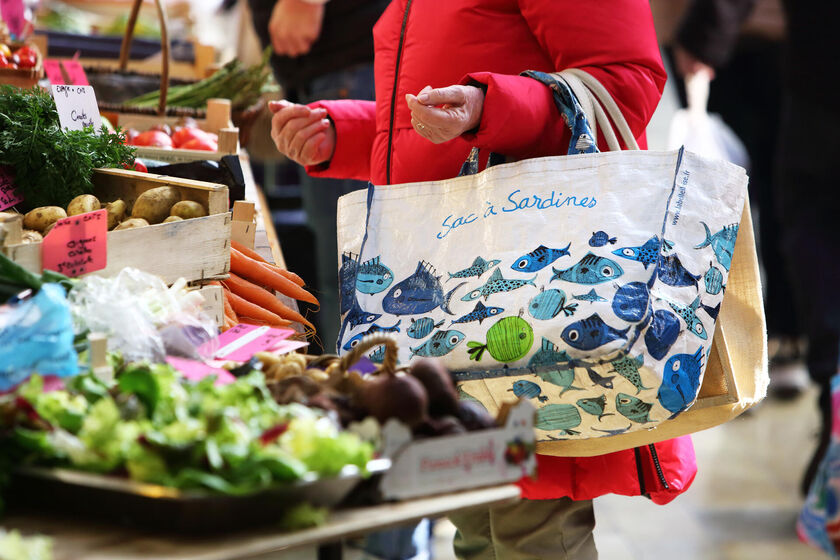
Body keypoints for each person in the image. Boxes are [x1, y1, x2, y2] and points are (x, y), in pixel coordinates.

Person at [269, 0, 698, 557]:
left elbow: (627, 83)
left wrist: (487, 106)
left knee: (532, 523)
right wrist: (342, 131)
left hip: (533, 289)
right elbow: (429, 114)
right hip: (453, 297)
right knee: (478, 521)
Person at [669, 0, 840, 497]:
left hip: (818, 85)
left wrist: (705, 36)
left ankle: (831, 393)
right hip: (814, 85)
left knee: (813, 233)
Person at [669, 0, 807, 399]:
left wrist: (703, 34)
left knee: (780, 191)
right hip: (696, 31)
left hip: (759, 33)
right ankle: (723, 349)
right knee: (711, 206)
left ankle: (782, 336)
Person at [248, 0, 389, 353]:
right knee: (345, 273)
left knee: (355, 276)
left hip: (352, 73)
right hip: (336, 74)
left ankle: (359, 388)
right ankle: (350, 383)